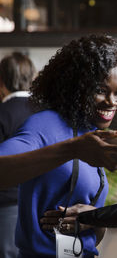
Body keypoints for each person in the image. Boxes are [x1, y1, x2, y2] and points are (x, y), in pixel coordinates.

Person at [0, 34, 117, 258]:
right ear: (77, 87)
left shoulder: (91, 133)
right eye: (100, 90)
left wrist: (93, 218)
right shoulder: (45, 124)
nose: (111, 101)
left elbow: (93, 237)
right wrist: (72, 149)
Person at [0, 52, 35, 258]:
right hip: (45, 205)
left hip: (6, 206)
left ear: (2, 81)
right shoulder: (47, 112)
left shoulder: (3, 113)